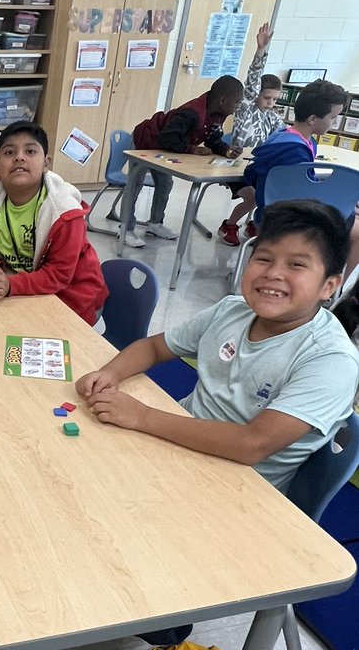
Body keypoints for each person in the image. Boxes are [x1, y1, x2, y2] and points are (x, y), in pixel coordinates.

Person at [76, 200, 359, 495]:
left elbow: (252, 444)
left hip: (233, 488)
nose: (273, 273)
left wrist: (142, 416)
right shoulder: (231, 311)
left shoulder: (331, 360)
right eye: (263, 258)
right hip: (174, 442)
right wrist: (110, 372)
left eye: (296, 264)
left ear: (329, 286)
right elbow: (154, 347)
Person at [0, 120, 108, 325]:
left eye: (30, 152)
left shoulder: (65, 213)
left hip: (73, 299)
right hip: (23, 289)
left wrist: (12, 285)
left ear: (46, 164)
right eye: (9, 153)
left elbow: (58, 276)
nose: (19, 157)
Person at [241, 78, 359, 280]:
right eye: (333, 117)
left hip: (270, 215)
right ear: (313, 119)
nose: (334, 123)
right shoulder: (296, 150)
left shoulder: (282, 137)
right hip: (295, 220)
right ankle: (336, 289)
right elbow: (305, 198)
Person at [123, 75, 244, 248]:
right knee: (135, 184)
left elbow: (213, 139)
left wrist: (226, 150)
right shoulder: (191, 113)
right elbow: (167, 137)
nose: (236, 108)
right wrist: (192, 149)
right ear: (223, 100)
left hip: (164, 150)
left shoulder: (218, 114)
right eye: (237, 102)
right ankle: (126, 229)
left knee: (165, 184)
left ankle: (155, 224)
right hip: (145, 142)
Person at [218, 22, 285, 246]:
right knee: (254, 197)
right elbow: (253, 78)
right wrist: (261, 51)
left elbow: (285, 136)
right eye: (267, 98)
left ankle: (255, 223)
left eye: (275, 99)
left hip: (258, 169)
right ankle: (229, 225)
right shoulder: (246, 108)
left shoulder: (273, 118)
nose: (271, 103)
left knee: (270, 195)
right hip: (236, 167)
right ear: (256, 95)